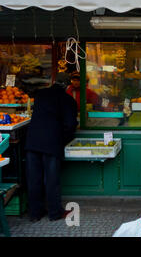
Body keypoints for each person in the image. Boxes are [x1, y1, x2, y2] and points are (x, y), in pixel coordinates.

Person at [25, 72, 78, 222]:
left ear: (53, 82)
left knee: (33, 178)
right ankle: (55, 213)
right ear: (67, 85)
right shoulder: (67, 100)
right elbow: (70, 125)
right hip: (51, 142)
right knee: (51, 179)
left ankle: (35, 213)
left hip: (32, 140)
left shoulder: (40, 94)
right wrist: (63, 139)